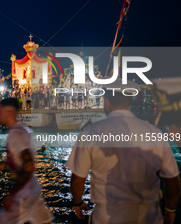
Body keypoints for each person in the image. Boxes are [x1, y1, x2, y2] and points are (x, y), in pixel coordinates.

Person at [66, 78, 180, 224]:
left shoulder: (90, 132)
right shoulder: (154, 132)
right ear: (130, 101)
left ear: (106, 101)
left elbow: (77, 181)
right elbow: (172, 181)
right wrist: (170, 211)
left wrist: (78, 203)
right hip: (149, 216)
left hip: (106, 216)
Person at [0, 98, 54, 224]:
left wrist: (11, 194)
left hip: (22, 196)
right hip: (33, 191)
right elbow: (18, 162)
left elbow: (29, 166)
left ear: (8, 113)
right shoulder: (23, 130)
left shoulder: (16, 135)